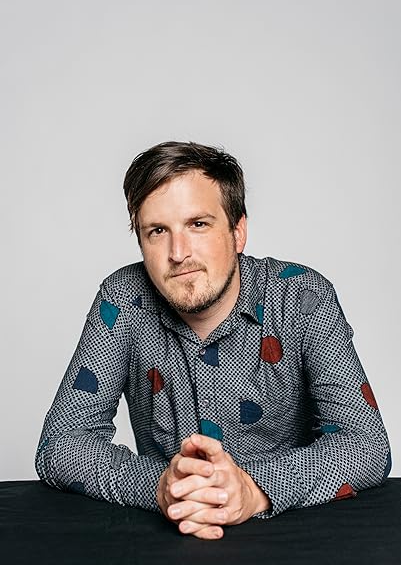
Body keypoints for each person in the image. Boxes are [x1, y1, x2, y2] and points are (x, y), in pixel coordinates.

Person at [35, 141, 391, 541]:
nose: (178, 253)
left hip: (291, 538)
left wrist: (252, 489)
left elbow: (366, 444)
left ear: (238, 232)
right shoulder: (123, 298)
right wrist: (159, 486)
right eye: (158, 231)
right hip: (171, 535)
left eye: (198, 225)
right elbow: (60, 444)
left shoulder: (303, 296)